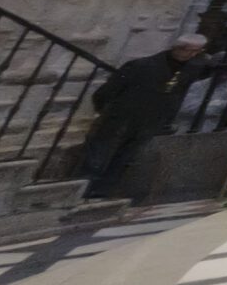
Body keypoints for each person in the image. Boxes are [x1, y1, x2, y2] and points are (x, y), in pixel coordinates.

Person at [79, 34, 206, 198]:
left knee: (126, 157)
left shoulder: (190, 69)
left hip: (151, 120)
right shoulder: (142, 65)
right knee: (100, 154)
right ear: (179, 48)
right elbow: (107, 91)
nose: (194, 55)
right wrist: (106, 111)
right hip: (122, 116)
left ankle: (103, 190)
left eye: (197, 51)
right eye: (191, 50)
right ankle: (84, 188)